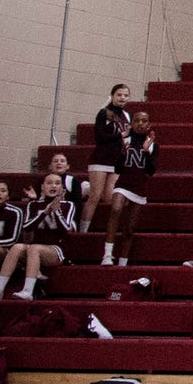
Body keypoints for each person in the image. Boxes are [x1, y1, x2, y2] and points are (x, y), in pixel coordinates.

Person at [0, 171, 77, 300]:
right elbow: (27, 227)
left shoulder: (68, 205)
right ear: (42, 186)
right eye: (49, 183)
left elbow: (65, 230)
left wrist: (57, 212)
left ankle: (28, 291)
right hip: (35, 248)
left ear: (62, 188)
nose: (53, 186)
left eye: (57, 183)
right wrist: (44, 213)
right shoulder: (33, 204)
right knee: (17, 247)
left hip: (56, 250)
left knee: (34, 248)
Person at [80, 82, 133, 258]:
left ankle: (108, 235)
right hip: (101, 158)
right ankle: (82, 232)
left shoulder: (126, 115)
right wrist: (120, 136)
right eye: (119, 95)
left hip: (117, 159)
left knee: (110, 198)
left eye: (126, 95)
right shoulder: (104, 112)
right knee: (95, 196)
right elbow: (100, 136)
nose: (122, 98)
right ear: (112, 96)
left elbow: (128, 137)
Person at [102, 111, 159, 265]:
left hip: (139, 186)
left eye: (144, 120)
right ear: (131, 123)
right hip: (123, 183)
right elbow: (118, 169)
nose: (140, 123)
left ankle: (123, 261)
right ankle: (107, 255)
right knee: (115, 210)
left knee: (130, 228)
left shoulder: (152, 144)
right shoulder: (124, 140)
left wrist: (146, 152)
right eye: (137, 120)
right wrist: (122, 154)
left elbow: (151, 171)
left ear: (149, 124)